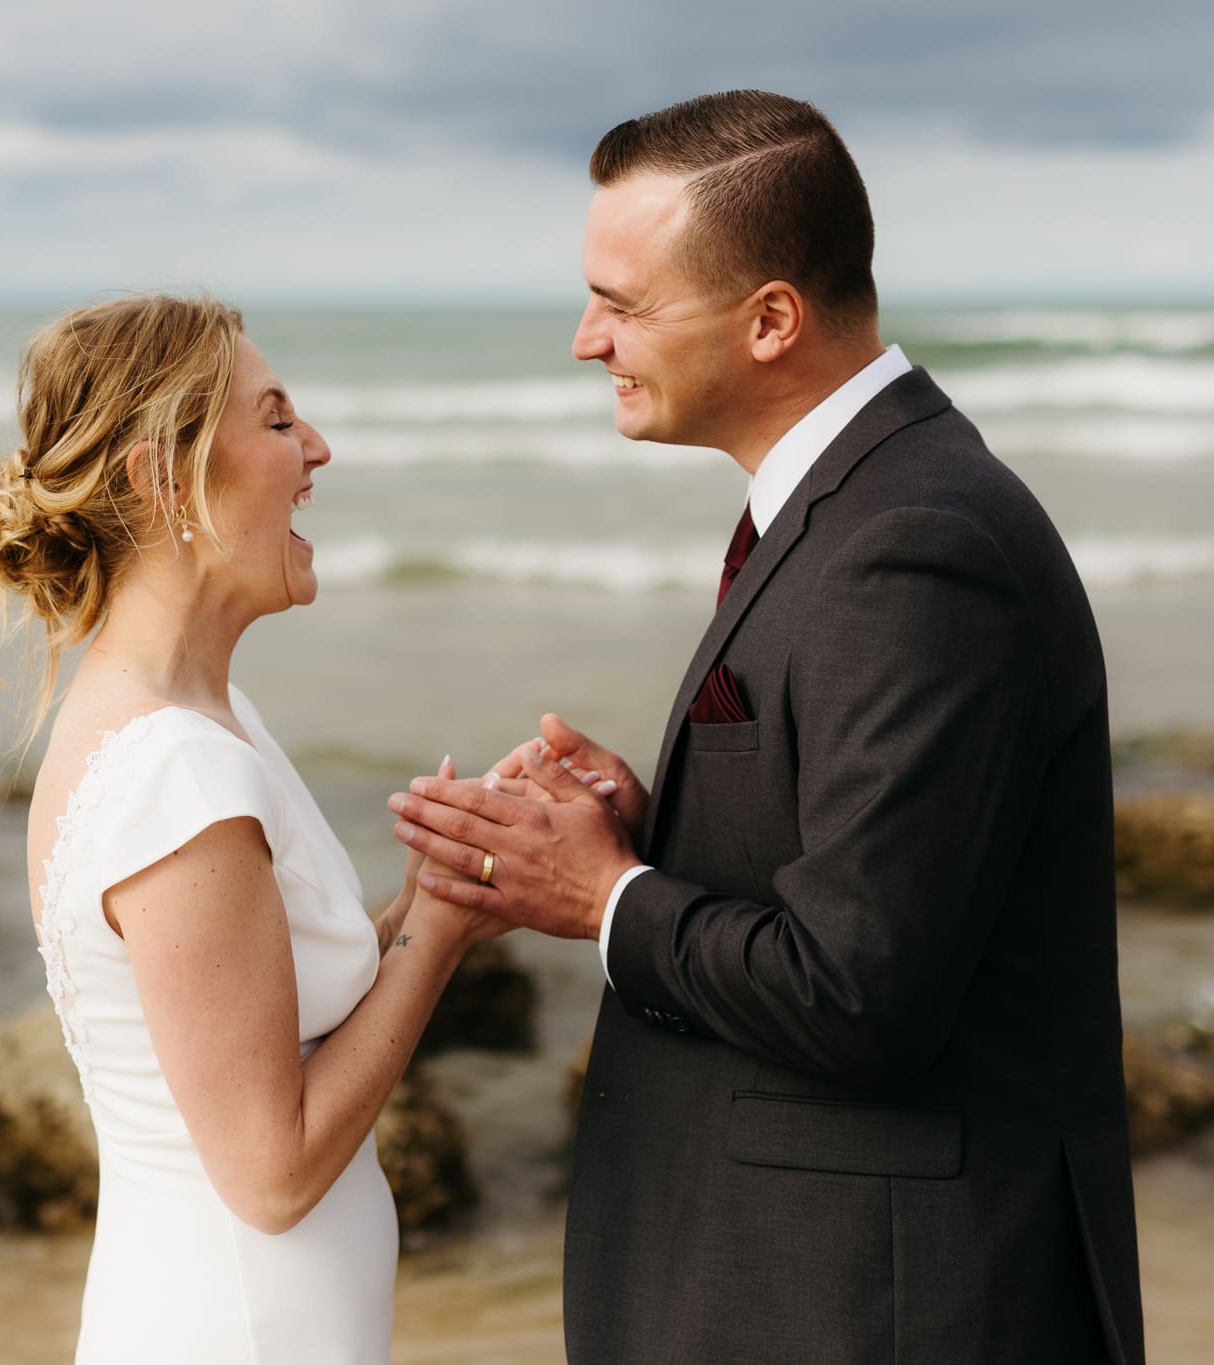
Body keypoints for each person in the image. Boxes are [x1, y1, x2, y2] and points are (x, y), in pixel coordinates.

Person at [388, 91, 1147, 1363]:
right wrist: (652, 834)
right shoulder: (855, 506)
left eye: (622, 306)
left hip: (879, 1305)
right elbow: (859, 867)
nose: (586, 342)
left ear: (770, 320)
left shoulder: (916, 546)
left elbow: (861, 993)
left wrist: (605, 898)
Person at [0, 295, 494, 1364]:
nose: (317, 448)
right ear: (161, 476)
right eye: (278, 421)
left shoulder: (188, 722)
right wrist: (439, 933)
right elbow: (271, 1173)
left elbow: (261, 1019)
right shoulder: (175, 770)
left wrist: (439, 888)